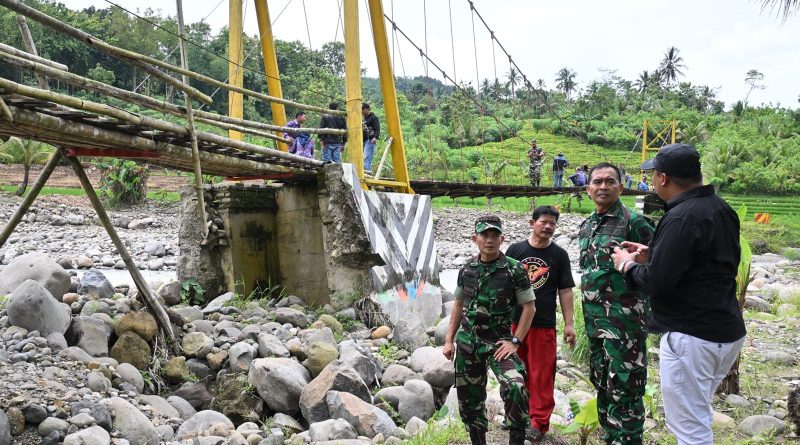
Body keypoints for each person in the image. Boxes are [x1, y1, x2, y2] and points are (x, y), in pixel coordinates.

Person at [611, 143, 746, 445]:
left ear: (662, 178)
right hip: (725, 331)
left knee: (689, 429)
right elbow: (708, 263)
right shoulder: (720, 208)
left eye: (653, 175)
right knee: (697, 412)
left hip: (692, 335)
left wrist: (626, 266)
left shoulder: (681, 216)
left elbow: (657, 283)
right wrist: (652, 254)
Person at [578, 162, 655, 445]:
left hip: (625, 327)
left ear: (621, 187)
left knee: (626, 389)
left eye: (610, 181)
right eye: (597, 182)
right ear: (588, 190)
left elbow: (656, 269)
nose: (603, 186)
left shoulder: (634, 223)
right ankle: (609, 438)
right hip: (596, 326)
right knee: (602, 385)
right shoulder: (587, 226)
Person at [443, 215, 536, 445]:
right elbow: (458, 304)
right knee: (469, 399)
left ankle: (516, 439)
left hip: (499, 342)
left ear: (502, 238)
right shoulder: (467, 269)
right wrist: (448, 340)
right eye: (485, 235)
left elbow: (529, 308)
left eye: (495, 235)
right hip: (468, 342)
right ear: (475, 238)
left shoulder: (514, 270)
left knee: (516, 388)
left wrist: (515, 341)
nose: (490, 240)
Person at [506, 206, 576, 441]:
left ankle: (538, 423)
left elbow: (565, 290)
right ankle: (519, 417)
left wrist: (569, 323)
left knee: (542, 375)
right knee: (517, 373)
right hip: (515, 324)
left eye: (552, 224)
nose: (548, 226)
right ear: (532, 223)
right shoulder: (515, 250)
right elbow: (504, 285)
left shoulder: (559, 255)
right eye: (544, 222)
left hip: (543, 325)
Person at [361, 103, 380, 174]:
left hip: (370, 140)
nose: (361, 111)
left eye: (362, 109)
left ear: (367, 109)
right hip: (363, 140)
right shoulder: (362, 118)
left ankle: (366, 173)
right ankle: (363, 172)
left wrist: (375, 137)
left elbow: (377, 128)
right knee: (362, 157)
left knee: (367, 157)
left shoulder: (373, 117)